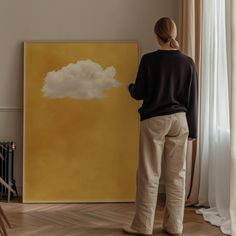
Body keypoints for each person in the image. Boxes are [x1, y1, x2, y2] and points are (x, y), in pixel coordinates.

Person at [123, 17, 198, 236]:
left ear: (157, 36)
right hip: (180, 121)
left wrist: (130, 87)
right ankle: (174, 226)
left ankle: (142, 226)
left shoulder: (149, 60)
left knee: (149, 174)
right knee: (177, 176)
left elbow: (140, 93)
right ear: (174, 34)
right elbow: (192, 99)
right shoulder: (188, 62)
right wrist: (193, 130)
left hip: (154, 120)